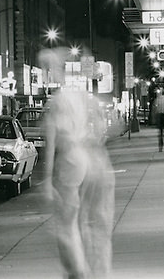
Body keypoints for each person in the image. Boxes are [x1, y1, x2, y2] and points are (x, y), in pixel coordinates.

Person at [42, 48, 114, 279]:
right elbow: (100, 124)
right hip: (86, 157)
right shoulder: (80, 96)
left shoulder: (57, 101)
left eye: (46, 69)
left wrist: (46, 177)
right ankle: (94, 270)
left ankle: (77, 270)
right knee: (89, 219)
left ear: (52, 70)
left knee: (67, 221)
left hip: (70, 159)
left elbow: (51, 141)